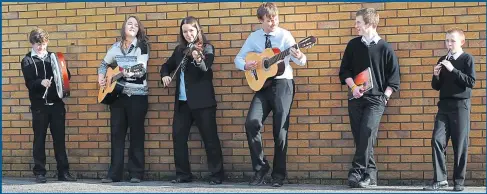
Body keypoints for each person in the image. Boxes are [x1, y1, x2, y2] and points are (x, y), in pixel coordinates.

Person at [234, 2, 307, 187]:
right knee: (251, 122)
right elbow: (238, 58)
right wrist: (246, 65)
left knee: (280, 130)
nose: (273, 22)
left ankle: (278, 175)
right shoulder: (254, 37)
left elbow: (302, 61)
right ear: (261, 20)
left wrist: (298, 55)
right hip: (262, 85)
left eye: (275, 18)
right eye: (269, 19)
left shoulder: (285, 35)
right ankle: (261, 168)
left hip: (283, 84)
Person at [338, 8, 400, 188]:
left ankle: (356, 171)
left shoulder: (385, 48)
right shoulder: (353, 45)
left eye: (358, 22)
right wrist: (354, 87)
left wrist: (384, 98)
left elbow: (394, 78)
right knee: (362, 137)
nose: (355, 26)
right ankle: (370, 176)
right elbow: (344, 71)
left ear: (370, 24)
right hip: (356, 98)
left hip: (376, 100)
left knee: (366, 131)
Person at [160, 16, 224, 185]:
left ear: (198, 30)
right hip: (182, 103)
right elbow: (166, 65)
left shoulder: (207, 48)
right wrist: (165, 75)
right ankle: (182, 174)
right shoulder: (180, 50)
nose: (188, 34)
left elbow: (205, 69)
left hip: (203, 103)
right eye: (185, 31)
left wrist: (197, 58)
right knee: (178, 137)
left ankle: (217, 175)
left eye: (191, 30)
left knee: (210, 139)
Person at [97, 15, 150, 183]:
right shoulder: (115, 47)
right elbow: (104, 64)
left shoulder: (142, 46)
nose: (133, 26)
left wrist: (121, 73)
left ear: (139, 29)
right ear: (124, 27)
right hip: (118, 97)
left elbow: (141, 69)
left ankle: (136, 174)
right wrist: (101, 76)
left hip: (137, 96)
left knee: (136, 135)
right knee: (117, 135)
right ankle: (114, 174)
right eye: (130, 23)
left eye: (136, 24)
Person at [20, 28, 76, 183]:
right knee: (39, 140)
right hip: (39, 107)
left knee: (60, 140)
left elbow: (66, 76)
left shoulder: (53, 57)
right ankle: (40, 173)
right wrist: (41, 82)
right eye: (38, 44)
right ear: (32, 43)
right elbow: (29, 83)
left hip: (57, 105)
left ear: (47, 42)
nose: (41, 47)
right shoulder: (27, 60)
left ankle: (63, 173)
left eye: (43, 44)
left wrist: (62, 70)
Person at [423, 28, 475, 192]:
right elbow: (436, 86)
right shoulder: (442, 59)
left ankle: (458, 181)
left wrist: (453, 69)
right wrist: (436, 75)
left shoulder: (467, 59)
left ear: (462, 42)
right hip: (444, 106)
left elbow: (470, 81)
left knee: (460, 145)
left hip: (461, 106)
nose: (449, 44)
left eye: (452, 40)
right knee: (437, 140)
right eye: (447, 41)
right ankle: (440, 180)